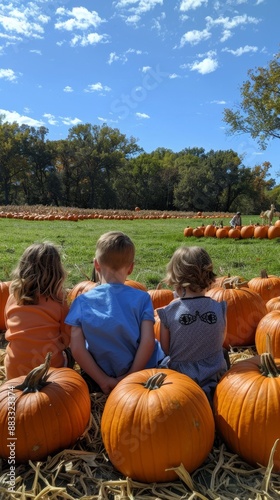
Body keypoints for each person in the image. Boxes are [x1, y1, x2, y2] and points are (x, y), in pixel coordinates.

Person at [65, 231, 165, 395]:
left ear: (96, 264)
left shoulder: (81, 302)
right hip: (143, 375)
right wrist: (131, 376)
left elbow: (76, 348)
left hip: (99, 377)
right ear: (131, 268)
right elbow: (147, 342)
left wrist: (103, 380)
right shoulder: (142, 298)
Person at [156, 245, 228, 404]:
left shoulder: (169, 312)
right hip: (214, 373)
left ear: (176, 279)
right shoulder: (219, 308)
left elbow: (167, 349)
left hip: (182, 378)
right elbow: (220, 340)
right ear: (209, 277)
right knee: (223, 352)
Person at [4, 241, 72, 380]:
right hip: (48, 373)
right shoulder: (59, 301)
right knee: (70, 354)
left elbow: (8, 326)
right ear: (58, 273)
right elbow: (66, 338)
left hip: (13, 374)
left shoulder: (13, 297)